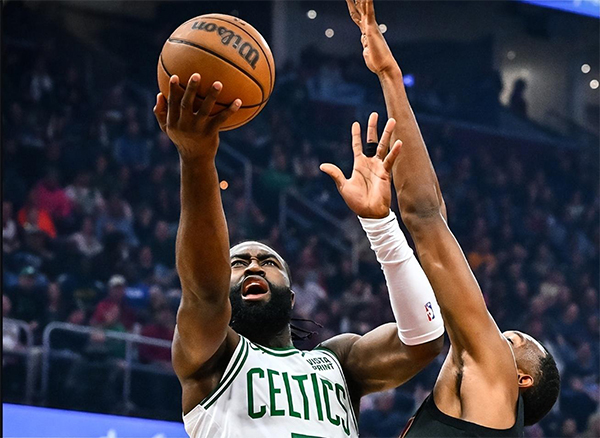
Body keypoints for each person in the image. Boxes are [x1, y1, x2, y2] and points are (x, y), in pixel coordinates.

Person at [153, 72, 445, 436]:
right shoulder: (211, 359)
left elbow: (423, 340)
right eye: (238, 263)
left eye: (268, 262)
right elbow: (205, 293)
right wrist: (197, 160)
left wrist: (380, 225)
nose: (254, 266)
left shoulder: (339, 362)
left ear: (292, 296)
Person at [339, 1, 560, 436]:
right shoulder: (465, 407)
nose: (491, 333)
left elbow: (425, 218)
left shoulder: (492, 377)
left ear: (520, 379)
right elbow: (433, 216)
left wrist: (389, 75)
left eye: (508, 340)